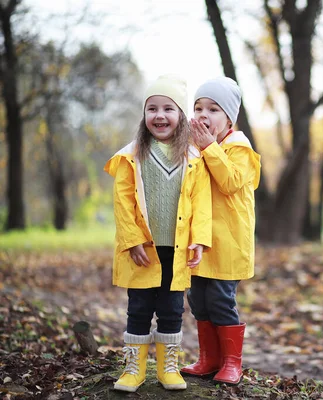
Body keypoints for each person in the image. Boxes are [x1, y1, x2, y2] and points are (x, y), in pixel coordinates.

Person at [103, 74, 212, 392]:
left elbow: (201, 202)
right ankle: (133, 369)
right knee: (138, 307)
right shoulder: (131, 156)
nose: (160, 115)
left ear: (180, 116)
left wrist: (200, 240)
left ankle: (168, 367)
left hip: (176, 250)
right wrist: (132, 239)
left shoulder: (193, 158)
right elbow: (123, 202)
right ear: (144, 114)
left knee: (172, 308)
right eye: (152, 109)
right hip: (143, 249)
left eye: (168, 108)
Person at [181, 77, 261, 385]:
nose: (203, 114)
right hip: (200, 240)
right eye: (198, 107)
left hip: (228, 242)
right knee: (198, 299)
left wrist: (208, 147)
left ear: (230, 118)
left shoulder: (239, 147)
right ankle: (209, 358)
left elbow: (229, 182)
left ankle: (232, 363)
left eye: (213, 109)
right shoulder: (197, 149)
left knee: (220, 299)